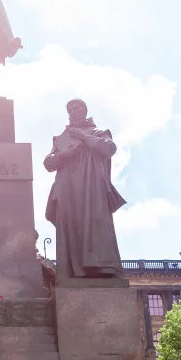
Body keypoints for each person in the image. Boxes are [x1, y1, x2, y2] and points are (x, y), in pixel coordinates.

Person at [44, 99, 127, 279]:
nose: (74, 111)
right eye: (70, 109)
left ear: (85, 110)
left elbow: (109, 148)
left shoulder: (99, 132)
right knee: (70, 225)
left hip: (91, 187)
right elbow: (48, 163)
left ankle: (100, 268)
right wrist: (62, 155)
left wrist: (84, 137)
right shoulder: (61, 138)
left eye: (77, 108)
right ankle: (72, 270)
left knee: (95, 223)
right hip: (67, 188)